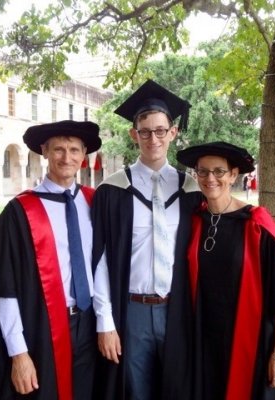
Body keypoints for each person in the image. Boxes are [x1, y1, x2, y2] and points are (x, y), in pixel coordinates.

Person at [92, 80, 202, 400]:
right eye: (145, 131)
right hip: (132, 312)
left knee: (177, 389)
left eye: (160, 130)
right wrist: (106, 322)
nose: (153, 138)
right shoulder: (111, 191)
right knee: (135, 393)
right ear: (133, 134)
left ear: (172, 133)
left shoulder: (191, 191)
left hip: (178, 310)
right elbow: (99, 261)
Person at [0, 120, 102, 400]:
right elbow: (5, 289)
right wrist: (18, 353)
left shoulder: (96, 203)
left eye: (74, 149)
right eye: (58, 149)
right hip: (41, 327)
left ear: (84, 155)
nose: (66, 157)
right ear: (44, 151)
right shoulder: (19, 213)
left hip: (92, 323)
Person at [176, 141, 275, 399]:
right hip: (204, 342)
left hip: (252, 343)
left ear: (233, 175)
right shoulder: (195, 221)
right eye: (202, 171)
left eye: (219, 171)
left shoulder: (256, 224)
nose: (209, 178)